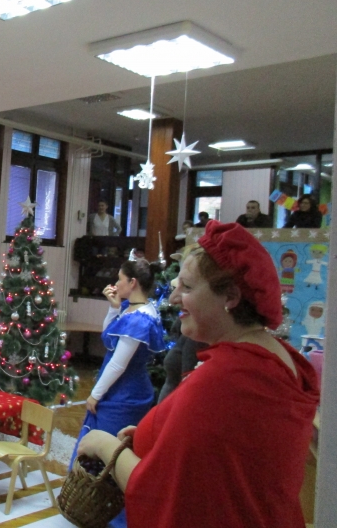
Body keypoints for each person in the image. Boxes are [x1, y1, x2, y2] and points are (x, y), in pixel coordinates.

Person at [77, 221, 320, 528]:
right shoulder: (271, 359)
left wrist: (102, 445)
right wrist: (162, 437)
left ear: (230, 297)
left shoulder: (228, 377)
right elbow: (226, 454)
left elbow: (159, 491)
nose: (173, 297)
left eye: (188, 287)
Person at [69, 258, 165, 527]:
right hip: (116, 389)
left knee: (110, 455)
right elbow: (109, 340)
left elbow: (118, 364)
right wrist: (113, 308)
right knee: (97, 448)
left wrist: (95, 394)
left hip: (125, 394)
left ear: (132, 283)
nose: (115, 283)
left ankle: (113, 516)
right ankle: (90, 507)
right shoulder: (129, 309)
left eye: (120, 279)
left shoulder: (141, 318)